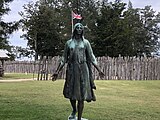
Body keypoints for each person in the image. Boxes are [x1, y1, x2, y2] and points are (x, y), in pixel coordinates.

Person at [52, 23, 104, 120]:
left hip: (83, 70)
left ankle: (79, 118)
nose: (79, 29)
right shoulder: (69, 43)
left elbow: (92, 57)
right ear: (75, 29)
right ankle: (74, 110)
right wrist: (57, 71)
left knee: (81, 94)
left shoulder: (86, 43)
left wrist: (99, 70)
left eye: (81, 28)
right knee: (71, 93)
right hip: (72, 69)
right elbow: (64, 58)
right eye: (77, 27)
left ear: (82, 30)